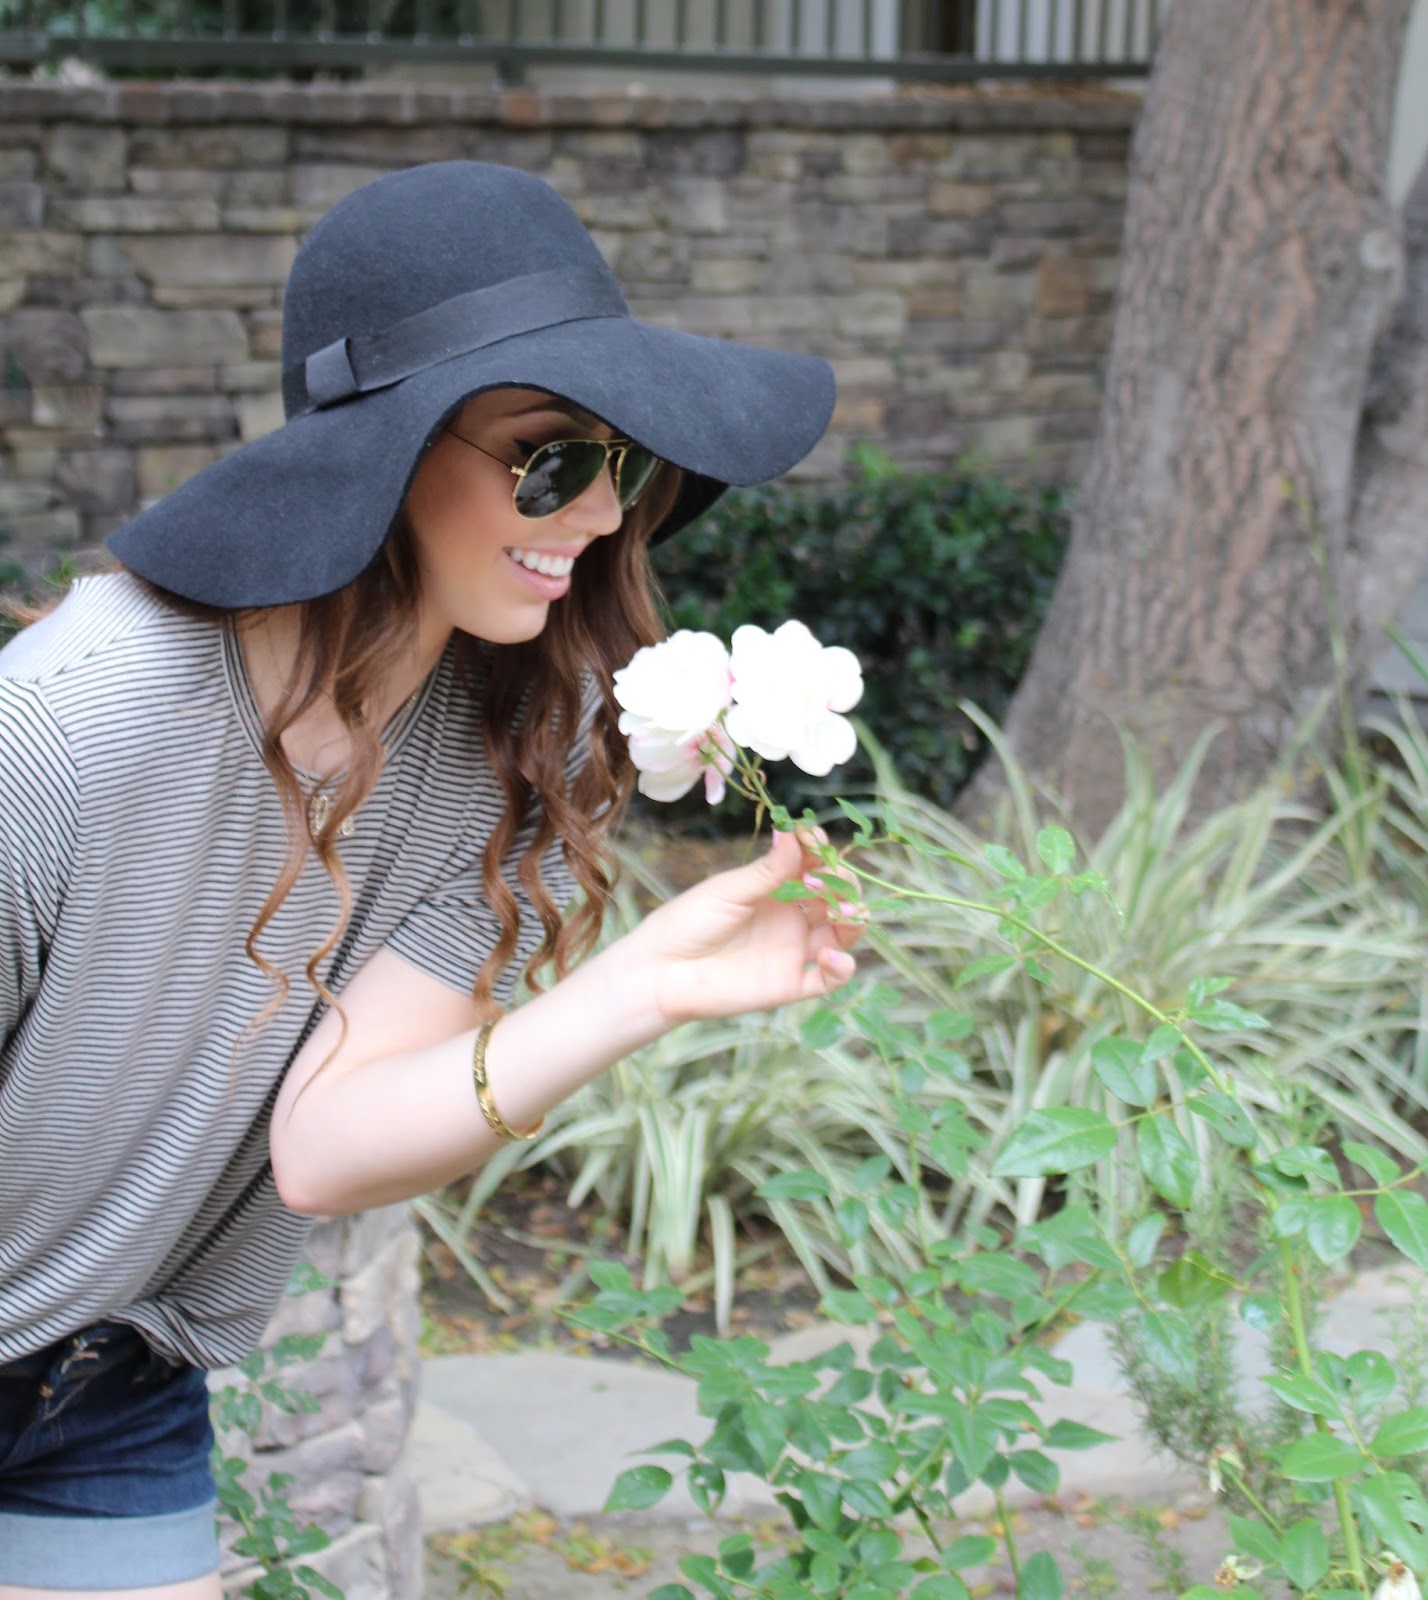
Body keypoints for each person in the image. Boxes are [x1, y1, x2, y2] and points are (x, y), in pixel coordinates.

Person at [0, 160, 862, 1598]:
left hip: (104, 1373)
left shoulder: (510, 744)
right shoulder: (65, 731)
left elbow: (326, 1146)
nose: (602, 517)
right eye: (550, 461)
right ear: (383, 459)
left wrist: (640, 989)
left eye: (625, 464)